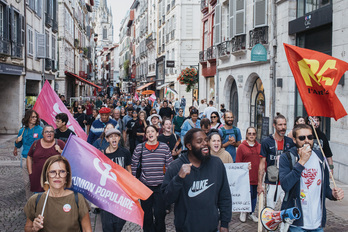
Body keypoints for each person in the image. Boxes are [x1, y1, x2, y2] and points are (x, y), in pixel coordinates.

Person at [161, 128, 232, 232]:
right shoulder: (175, 167)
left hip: (212, 228)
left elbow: (225, 195)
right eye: (199, 142)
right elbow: (166, 199)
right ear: (189, 146)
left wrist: (225, 223)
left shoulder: (217, 164)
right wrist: (178, 178)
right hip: (185, 229)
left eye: (206, 140)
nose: (205, 144)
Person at [279, 124, 344, 231]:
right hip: (296, 223)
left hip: (317, 223)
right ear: (294, 140)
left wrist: (333, 194)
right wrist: (302, 162)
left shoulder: (320, 158)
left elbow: (325, 189)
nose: (307, 141)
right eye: (302, 138)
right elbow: (286, 185)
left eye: (310, 137)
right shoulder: (287, 158)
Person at [24, 155, 92, 232]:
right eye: (53, 172)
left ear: (67, 175)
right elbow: (27, 228)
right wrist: (34, 229)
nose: (57, 176)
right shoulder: (35, 200)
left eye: (62, 171)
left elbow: (87, 230)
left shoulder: (78, 199)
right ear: (47, 175)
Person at [131, 125, 173, 232]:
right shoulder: (140, 148)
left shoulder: (164, 147)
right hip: (145, 186)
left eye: (152, 131)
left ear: (157, 133)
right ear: (146, 135)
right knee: (147, 215)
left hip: (160, 186)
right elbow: (134, 165)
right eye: (148, 132)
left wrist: (168, 183)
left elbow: (170, 166)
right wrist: (134, 184)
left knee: (160, 214)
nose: (150, 133)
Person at [257, 113, 295, 210]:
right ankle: (270, 225)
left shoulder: (289, 142)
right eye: (280, 125)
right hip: (272, 180)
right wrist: (260, 184)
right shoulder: (266, 142)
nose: (283, 127)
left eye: (284, 124)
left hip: (286, 180)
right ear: (274, 125)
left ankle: (284, 225)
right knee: (270, 208)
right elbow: (262, 164)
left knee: (287, 207)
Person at [101, 128, 131, 232]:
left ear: (119, 138)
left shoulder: (125, 152)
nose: (114, 138)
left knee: (119, 223)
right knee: (107, 225)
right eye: (111, 136)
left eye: (116, 136)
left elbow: (129, 172)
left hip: (121, 194)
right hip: (107, 194)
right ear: (107, 139)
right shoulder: (102, 154)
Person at [27, 125, 65, 193]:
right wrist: (30, 173)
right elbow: (29, 157)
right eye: (46, 132)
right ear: (43, 134)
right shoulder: (36, 143)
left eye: (51, 131)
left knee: (54, 201)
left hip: (55, 179)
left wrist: (61, 151)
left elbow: (69, 157)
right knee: (39, 200)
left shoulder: (60, 143)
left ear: (54, 133)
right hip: (37, 179)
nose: (49, 133)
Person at [14, 109, 43, 199]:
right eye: (32, 117)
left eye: (36, 117)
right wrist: (16, 141)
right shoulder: (22, 131)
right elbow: (18, 145)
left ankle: (38, 200)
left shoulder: (41, 130)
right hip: (25, 159)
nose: (35, 119)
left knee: (37, 181)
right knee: (27, 182)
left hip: (36, 160)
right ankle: (30, 201)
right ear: (28, 118)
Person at [236, 127, 260, 223]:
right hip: (246, 176)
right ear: (246, 135)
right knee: (246, 194)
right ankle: (243, 211)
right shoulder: (242, 147)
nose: (251, 135)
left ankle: (252, 212)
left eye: (253, 133)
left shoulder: (259, 146)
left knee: (254, 195)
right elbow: (238, 161)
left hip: (256, 175)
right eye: (249, 133)